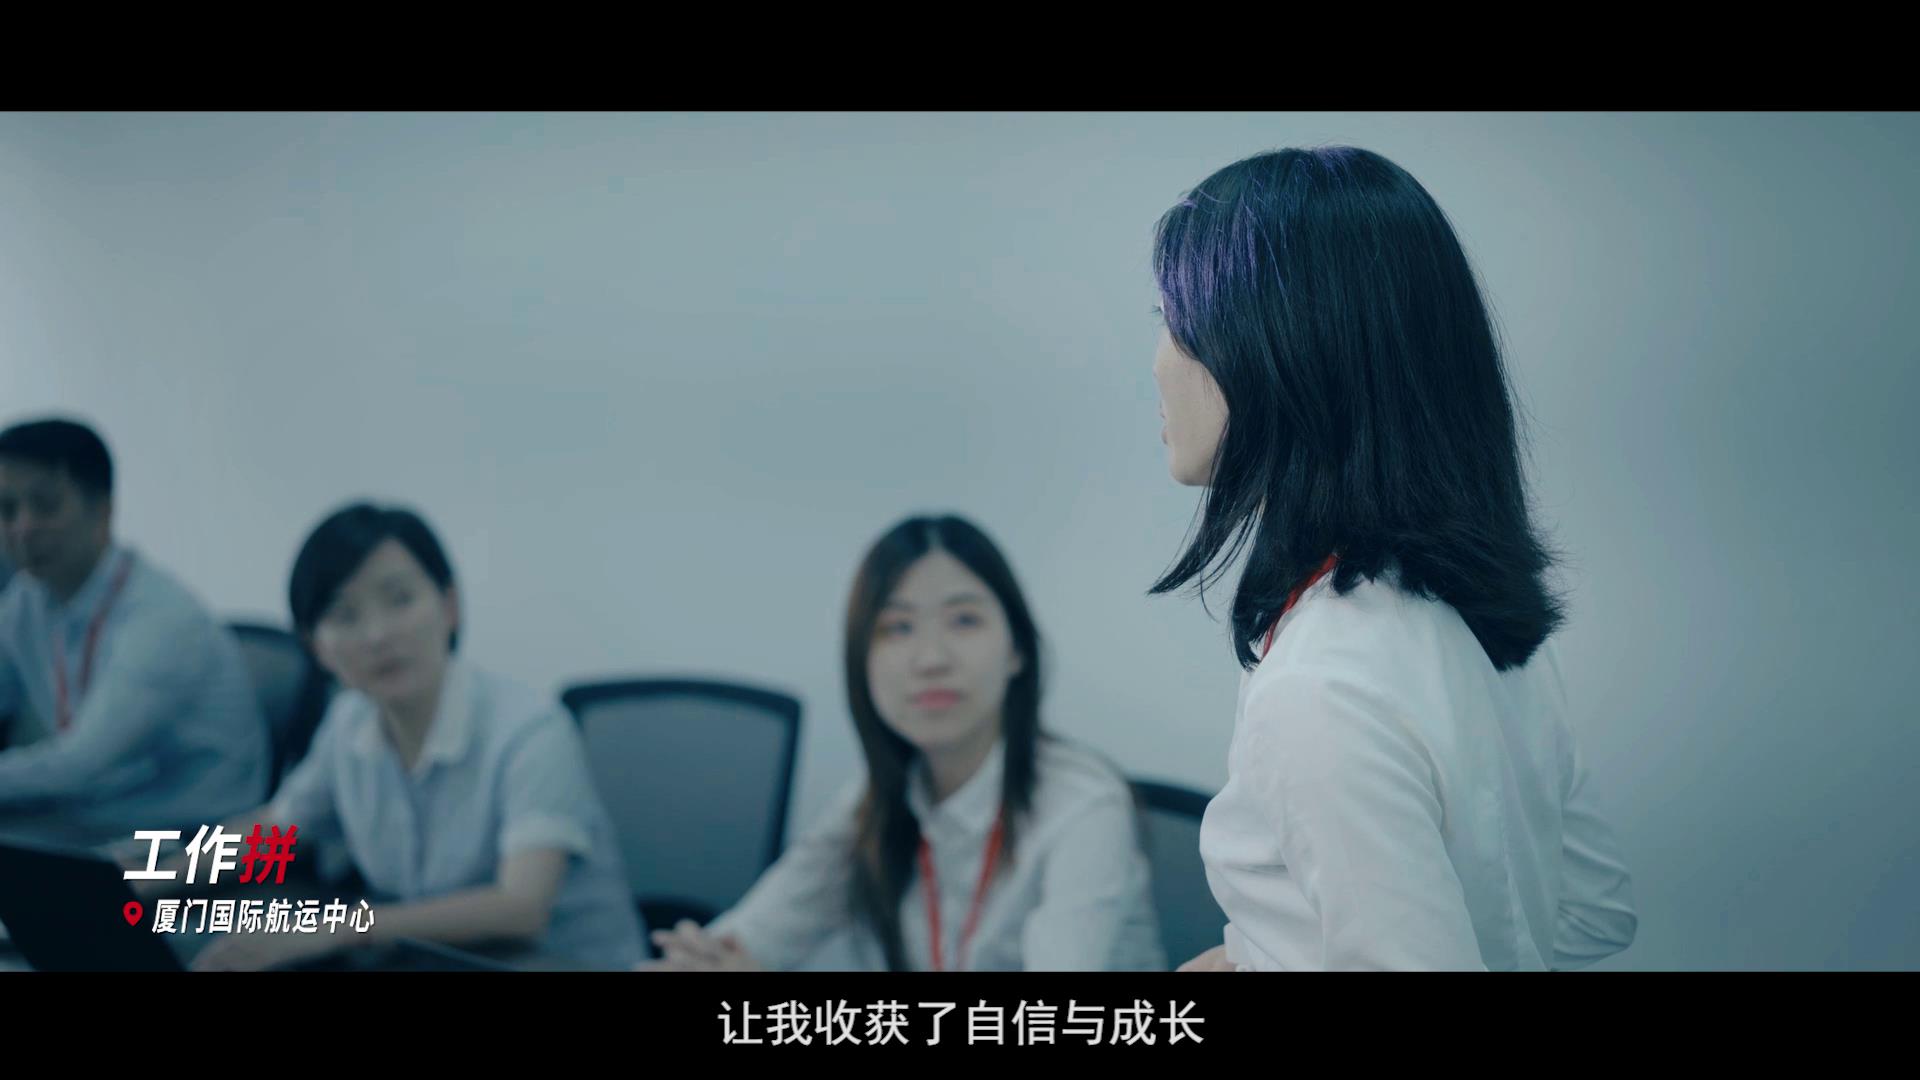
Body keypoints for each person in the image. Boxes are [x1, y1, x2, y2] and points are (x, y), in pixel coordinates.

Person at [1148, 147, 1638, 971]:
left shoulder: (1319, 687)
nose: (1158, 360)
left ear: (1283, 352)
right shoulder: (1476, 616)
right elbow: (1592, 912)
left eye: (1175, 321)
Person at [647, 514, 1164, 971]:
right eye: (897, 628)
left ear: (1017, 651)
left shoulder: (1083, 808)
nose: (930, 658)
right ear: (862, 663)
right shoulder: (877, 798)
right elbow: (750, 939)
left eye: (964, 620)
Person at [180, 502, 645, 970]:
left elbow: (521, 907)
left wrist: (341, 927)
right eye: (345, 615)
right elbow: (275, 828)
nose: (377, 635)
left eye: (400, 600)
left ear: (449, 607)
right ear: (316, 647)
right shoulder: (348, 725)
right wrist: (146, 879)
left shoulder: (529, 729)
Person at [0, 417, 267, 827]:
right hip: (99, 819)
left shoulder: (162, 620)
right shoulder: (27, 601)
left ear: (102, 511)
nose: (23, 528)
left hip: (203, 837)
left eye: (46, 505)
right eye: (6, 509)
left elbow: (79, 765)